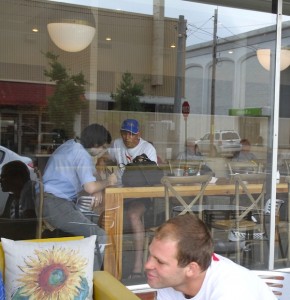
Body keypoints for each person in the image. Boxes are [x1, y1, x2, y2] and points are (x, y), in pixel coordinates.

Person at [36, 123, 117, 270]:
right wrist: (108, 181)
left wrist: (97, 186)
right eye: (103, 147)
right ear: (95, 143)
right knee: (99, 235)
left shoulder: (71, 145)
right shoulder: (83, 155)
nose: (102, 152)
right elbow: (90, 186)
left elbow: (91, 176)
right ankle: (93, 279)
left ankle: (77, 270)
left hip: (47, 201)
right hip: (56, 205)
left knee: (89, 222)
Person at [145, 214, 276, 300]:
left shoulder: (231, 291)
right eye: (151, 255)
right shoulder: (169, 282)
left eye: (160, 262)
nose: (148, 265)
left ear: (191, 269)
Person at [108, 118, 157, 278]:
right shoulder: (116, 144)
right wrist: (106, 172)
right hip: (120, 192)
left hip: (140, 194)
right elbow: (103, 159)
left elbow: (152, 178)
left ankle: (137, 267)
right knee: (105, 213)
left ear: (138, 135)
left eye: (131, 134)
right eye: (124, 133)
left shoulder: (147, 148)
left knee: (133, 215)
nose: (127, 137)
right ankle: (109, 265)